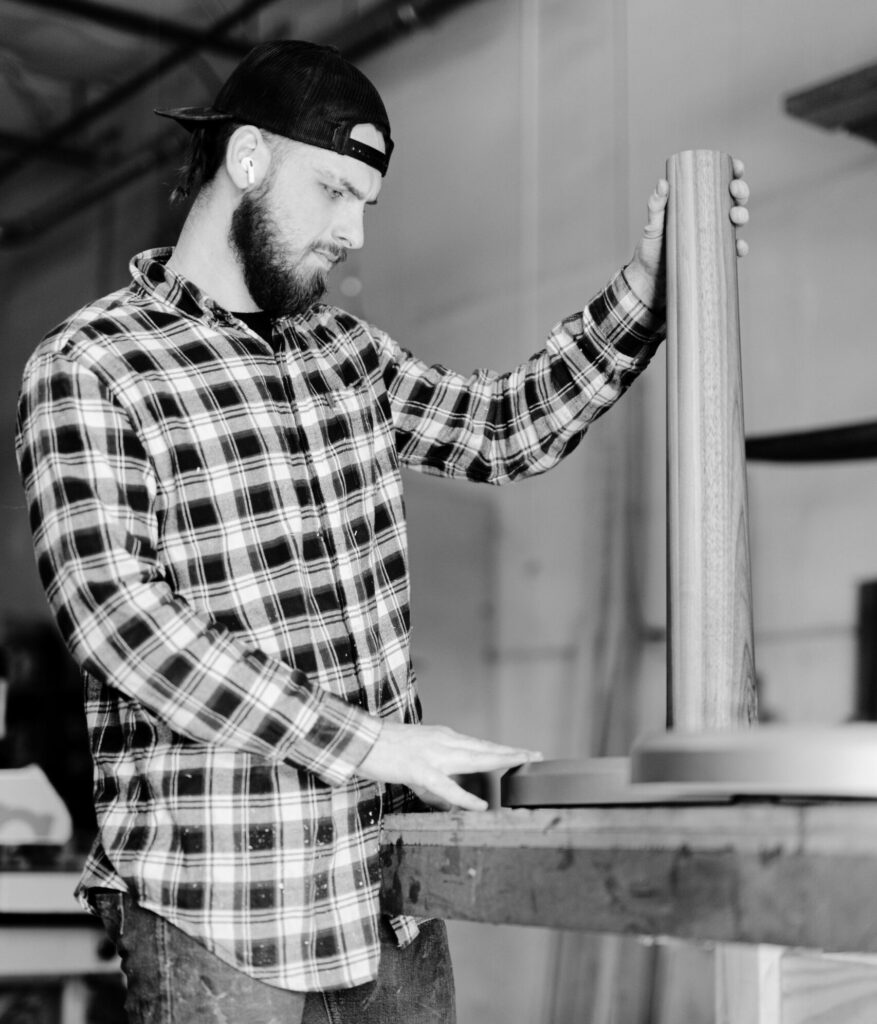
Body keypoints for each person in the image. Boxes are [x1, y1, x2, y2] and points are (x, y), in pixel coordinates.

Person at [15, 39, 749, 1024]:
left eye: (365, 201)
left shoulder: (343, 354)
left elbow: (501, 427)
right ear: (246, 160)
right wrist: (368, 744)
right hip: (225, 912)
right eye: (331, 191)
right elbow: (119, 620)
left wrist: (649, 290)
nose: (353, 233)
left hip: (381, 899)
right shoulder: (93, 365)